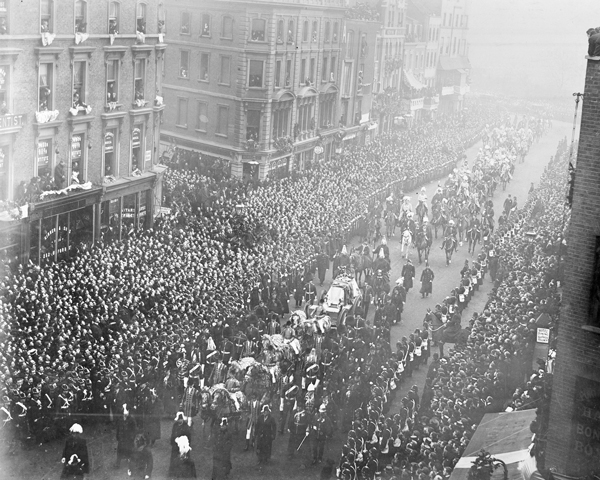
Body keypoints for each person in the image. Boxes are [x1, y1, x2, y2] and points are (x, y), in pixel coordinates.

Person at [115, 404, 137, 469]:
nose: (125, 415)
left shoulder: (132, 419)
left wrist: (132, 437)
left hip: (129, 438)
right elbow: (118, 428)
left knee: (129, 450)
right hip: (121, 437)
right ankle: (117, 463)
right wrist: (117, 436)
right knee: (119, 450)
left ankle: (130, 460)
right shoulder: (120, 419)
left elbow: (134, 429)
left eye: (126, 413)